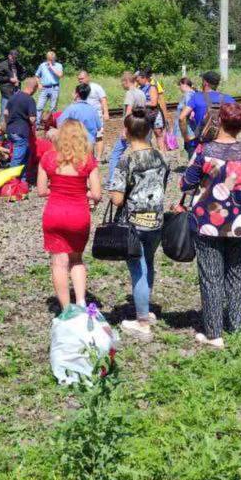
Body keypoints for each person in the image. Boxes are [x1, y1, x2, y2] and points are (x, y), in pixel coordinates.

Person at [180, 101, 241, 349]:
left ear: (220, 121)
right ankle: (236, 327)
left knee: (211, 277)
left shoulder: (204, 152)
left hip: (208, 224)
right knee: (238, 274)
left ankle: (214, 333)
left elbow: (186, 184)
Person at [109, 110, 169, 340]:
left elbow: (117, 199)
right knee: (149, 264)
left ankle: (142, 321)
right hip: (156, 221)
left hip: (134, 223)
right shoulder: (161, 156)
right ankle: (146, 308)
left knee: (137, 269)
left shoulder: (127, 159)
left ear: (126, 131)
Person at [37, 119, 101, 311]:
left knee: (58, 262)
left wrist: (57, 189)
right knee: (76, 259)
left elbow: (41, 191)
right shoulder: (88, 160)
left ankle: (66, 309)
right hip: (78, 215)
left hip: (54, 213)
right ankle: (81, 302)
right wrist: (82, 192)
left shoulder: (48, 158)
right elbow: (97, 194)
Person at [107, 71, 150, 187]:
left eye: (122, 82)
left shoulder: (130, 93)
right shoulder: (141, 93)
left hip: (131, 127)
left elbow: (128, 111)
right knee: (139, 152)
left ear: (126, 81)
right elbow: (144, 110)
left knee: (116, 154)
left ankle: (111, 181)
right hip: (140, 126)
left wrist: (125, 128)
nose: (122, 84)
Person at [179, 70, 235, 156]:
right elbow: (236, 118)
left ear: (205, 83)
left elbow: (181, 117)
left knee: (197, 167)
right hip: (222, 142)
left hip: (201, 143)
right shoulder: (228, 98)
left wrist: (186, 137)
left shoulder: (196, 97)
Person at [1, 77, 39, 169]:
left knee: (24, 157)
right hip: (21, 132)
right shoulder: (30, 100)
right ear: (34, 88)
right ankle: (12, 181)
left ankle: (22, 181)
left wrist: (6, 126)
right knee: (17, 160)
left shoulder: (13, 97)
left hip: (10, 130)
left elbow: (5, 113)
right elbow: (32, 119)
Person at [77, 68, 109, 156]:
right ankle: (90, 157)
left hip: (96, 116)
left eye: (82, 79)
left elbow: (103, 100)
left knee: (98, 137)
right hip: (83, 117)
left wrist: (105, 113)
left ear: (88, 78)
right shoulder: (78, 89)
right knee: (85, 137)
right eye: (79, 79)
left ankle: (98, 158)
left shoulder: (96, 87)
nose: (80, 81)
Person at [137, 68, 169, 153]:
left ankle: (163, 154)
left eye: (139, 80)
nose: (137, 81)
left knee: (158, 133)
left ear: (144, 78)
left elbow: (154, 103)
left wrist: (141, 103)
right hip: (144, 115)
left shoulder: (152, 87)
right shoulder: (139, 88)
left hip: (154, 114)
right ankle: (150, 155)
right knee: (146, 136)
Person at [35, 51, 64, 123]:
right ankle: (37, 124)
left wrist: (51, 67)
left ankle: (53, 123)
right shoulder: (42, 65)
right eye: (49, 59)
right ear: (47, 58)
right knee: (39, 107)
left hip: (54, 88)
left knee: (53, 108)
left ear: (55, 58)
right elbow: (37, 76)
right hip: (44, 88)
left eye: (52, 59)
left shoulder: (59, 65)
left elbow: (60, 75)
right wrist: (39, 84)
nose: (50, 60)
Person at [0, 49, 21, 119]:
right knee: (5, 111)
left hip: (17, 89)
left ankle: (13, 126)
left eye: (15, 58)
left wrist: (19, 79)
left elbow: (24, 72)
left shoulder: (17, 64)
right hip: (6, 90)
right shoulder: (2, 65)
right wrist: (9, 79)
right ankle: (2, 127)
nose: (14, 59)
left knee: (16, 110)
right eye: (13, 57)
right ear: (9, 56)